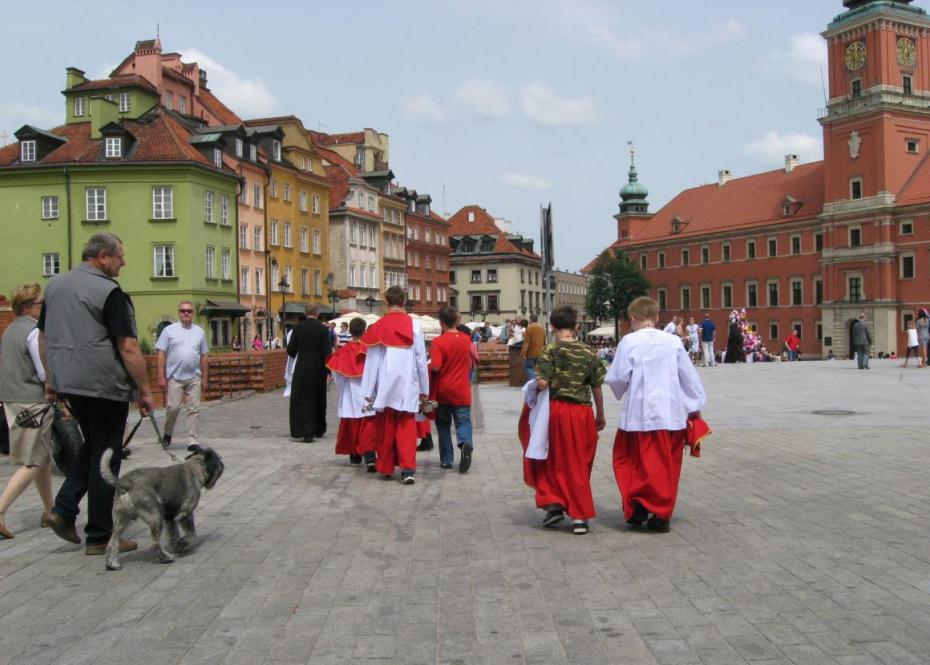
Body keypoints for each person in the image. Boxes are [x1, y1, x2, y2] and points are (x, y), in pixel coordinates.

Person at [41, 233, 154, 555]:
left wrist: (51, 378)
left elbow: (43, 338)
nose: (123, 263)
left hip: (70, 382)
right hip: (104, 384)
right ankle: (99, 535)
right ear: (103, 256)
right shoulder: (109, 292)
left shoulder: (55, 286)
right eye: (120, 257)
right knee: (107, 456)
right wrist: (145, 390)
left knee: (93, 447)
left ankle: (64, 510)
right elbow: (128, 346)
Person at [605, 296, 706, 533]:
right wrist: (694, 406)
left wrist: (624, 387)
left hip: (638, 415)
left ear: (633, 318)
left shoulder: (629, 341)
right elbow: (688, 377)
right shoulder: (673, 342)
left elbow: (617, 377)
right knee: (666, 465)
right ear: (657, 317)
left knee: (632, 462)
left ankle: (638, 505)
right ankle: (661, 513)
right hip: (670, 415)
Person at [523, 305, 606, 535]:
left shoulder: (550, 350)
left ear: (552, 326)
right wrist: (600, 414)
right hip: (583, 411)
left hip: (558, 411)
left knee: (555, 459)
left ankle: (555, 504)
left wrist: (534, 386)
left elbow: (542, 383)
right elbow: (597, 386)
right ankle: (579, 515)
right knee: (580, 461)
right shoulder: (589, 352)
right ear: (576, 326)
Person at [0, 284, 54, 539]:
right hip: (32, 401)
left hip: (12, 398)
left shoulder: (10, 330)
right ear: (27, 306)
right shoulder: (33, 331)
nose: (44, 307)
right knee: (32, 460)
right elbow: (43, 371)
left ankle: (50, 510)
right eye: (41, 303)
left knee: (42, 456)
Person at [360, 286, 429, 484]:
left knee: (386, 427)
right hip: (407, 382)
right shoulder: (414, 326)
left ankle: (386, 467)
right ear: (404, 301)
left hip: (385, 383)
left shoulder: (378, 326)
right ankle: (408, 470)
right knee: (407, 426)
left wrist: (367, 391)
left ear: (386, 302)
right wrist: (425, 388)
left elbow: (372, 362)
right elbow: (421, 360)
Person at [155, 301, 209, 447]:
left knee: (193, 409)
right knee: (173, 408)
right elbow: (161, 353)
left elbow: (204, 355)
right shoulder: (169, 331)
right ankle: (167, 433)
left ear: (193, 313)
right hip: (175, 377)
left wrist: (205, 378)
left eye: (189, 311)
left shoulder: (199, 332)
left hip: (194, 376)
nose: (186, 313)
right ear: (178, 312)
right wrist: (160, 376)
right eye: (183, 310)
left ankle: (193, 441)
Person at [326, 317, 377, 469]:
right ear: (365, 330)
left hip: (349, 391)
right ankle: (370, 456)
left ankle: (354, 456)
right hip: (368, 391)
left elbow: (337, 375)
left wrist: (343, 390)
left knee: (351, 423)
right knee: (368, 424)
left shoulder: (343, 352)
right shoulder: (370, 350)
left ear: (350, 331)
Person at [430, 306, 475, 472]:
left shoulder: (438, 342)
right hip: (462, 389)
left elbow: (435, 366)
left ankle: (446, 459)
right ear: (456, 320)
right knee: (463, 421)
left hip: (444, 390)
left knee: (443, 425)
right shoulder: (466, 339)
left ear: (441, 323)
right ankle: (465, 443)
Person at [286, 304, 332, 442]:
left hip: (302, 366)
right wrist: (329, 371)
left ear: (305, 313)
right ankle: (318, 429)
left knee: (302, 398)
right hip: (319, 367)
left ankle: (305, 431)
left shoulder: (298, 328)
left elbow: (291, 350)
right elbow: (327, 351)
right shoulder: (323, 329)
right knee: (318, 397)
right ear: (317, 313)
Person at [521, 314, 545, 381]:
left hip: (531, 353)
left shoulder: (529, 328)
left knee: (528, 367)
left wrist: (523, 353)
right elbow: (544, 341)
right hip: (540, 352)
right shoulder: (542, 328)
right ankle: (538, 381)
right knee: (538, 368)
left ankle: (532, 380)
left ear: (530, 320)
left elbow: (526, 342)